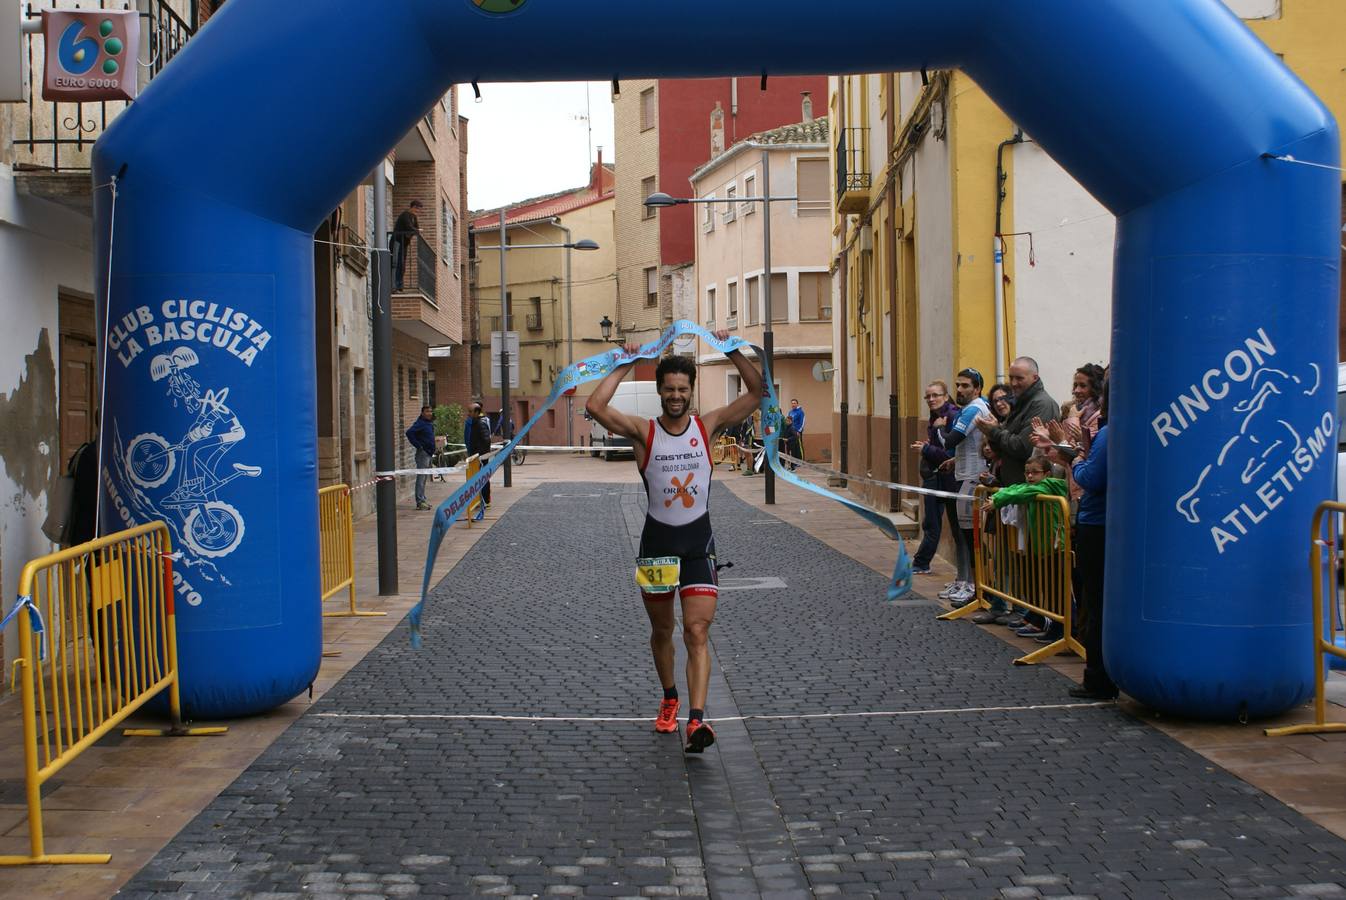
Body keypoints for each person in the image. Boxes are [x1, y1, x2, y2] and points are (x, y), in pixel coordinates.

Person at [585, 333, 763, 753]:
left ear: (691, 391)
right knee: (663, 630)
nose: (677, 396)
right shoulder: (644, 432)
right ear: (660, 391)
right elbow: (595, 407)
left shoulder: (709, 426)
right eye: (669, 389)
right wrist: (630, 361)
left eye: (683, 389)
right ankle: (669, 697)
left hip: (699, 545)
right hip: (657, 547)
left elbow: (757, 392)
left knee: (697, 631)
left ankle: (697, 722)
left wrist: (732, 350)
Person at [1048, 379, 1116, 700]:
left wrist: (1075, 457)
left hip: (1096, 524)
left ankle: (1098, 677)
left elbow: (1090, 477)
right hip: (1108, 525)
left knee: (1094, 601)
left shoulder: (1107, 434)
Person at [982, 453, 1070, 642]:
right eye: (1027, 473)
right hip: (1040, 545)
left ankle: (1062, 629)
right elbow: (1017, 487)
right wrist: (1000, 494)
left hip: (1054, 546)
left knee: (1056, 590)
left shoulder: (1047, 486)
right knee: (1042, 585)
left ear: (1046, 474)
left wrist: (998, 500)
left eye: (1034, 473)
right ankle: (1043, 621)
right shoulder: (1035, 486)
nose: (1030, 477)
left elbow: (1021, 493)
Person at [934, 368, 990, 606]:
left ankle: (976, 588)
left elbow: (951, 440)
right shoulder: (971, 409)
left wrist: (939, 427)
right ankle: (968, 582)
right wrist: (955, 460)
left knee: (970, 536)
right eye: (958, 385)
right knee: (963, 534)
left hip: (973, 479)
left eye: (966, 385)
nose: (960, 390)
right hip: (965, 475)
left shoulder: (974, 409)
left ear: (977, 388)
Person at [975, 357, 1060, 488]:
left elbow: (1023, 448)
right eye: (1011, 377)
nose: (1014, 383)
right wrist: (992, 432)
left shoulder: (1042, 404)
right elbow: (1003, 449)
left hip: (1027, 491)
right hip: (1014, 490)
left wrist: (994, 432)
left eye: (1019, 378)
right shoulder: (1021, 402)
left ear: (1035, 378)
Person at [910, 381, 958, 578]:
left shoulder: (951, 416)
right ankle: (921, 562)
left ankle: (921, 562)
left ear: (946, 396)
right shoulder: (936, 416)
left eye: (935, 395)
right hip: (934, 476)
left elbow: (950, 454)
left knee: (946, 525)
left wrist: (926, 449)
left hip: (946, 478)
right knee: (931, 522)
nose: (931, 399)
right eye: (928, 396)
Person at [405, 405, 436, 510]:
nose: (429, 413)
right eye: (427, 411)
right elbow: (409, 433)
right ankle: (420, 501)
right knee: (421, 478)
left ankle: (423, 499)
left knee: (424, 479)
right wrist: (419, 446)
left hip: (428, 453)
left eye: (431, 411)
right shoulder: (420, 423)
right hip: (423, 454)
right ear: (422, 413)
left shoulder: (428, 423)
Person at [391, 199, 422, 291]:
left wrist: (416, 230)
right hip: (397, 241)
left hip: (404, 243)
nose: (418, 212)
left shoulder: (414, 217)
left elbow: (416, 228)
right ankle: (395, 284)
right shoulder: (405, 215)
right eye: (417, 209)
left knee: (402, 264)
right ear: (413, 207)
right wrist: (416, 230)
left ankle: (399, 285)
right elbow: (409, 227)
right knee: (396, 262)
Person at [467, 402, 493, 506]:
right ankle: (480, 499)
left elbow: (486, 440)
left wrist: (480, 455)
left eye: (470, 411)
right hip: (476, 456)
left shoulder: (480, 423)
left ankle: (486, 501)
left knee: (483, 478)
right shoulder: (474, 422)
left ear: (477, 412)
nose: (468, 414)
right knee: (478, 478)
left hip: (481, 457)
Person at [786, 399, 805, 467]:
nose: (793, 404)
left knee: (799, 447)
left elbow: (802, 422)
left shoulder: (800, 412)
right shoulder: (790, 412)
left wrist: (799, 431)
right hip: (791, 433)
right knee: (794, 448)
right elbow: (788, 421)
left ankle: (801, 461)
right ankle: (795, 462)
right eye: (792, 403)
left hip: (797, 432)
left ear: (797, 404)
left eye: (794, 403)